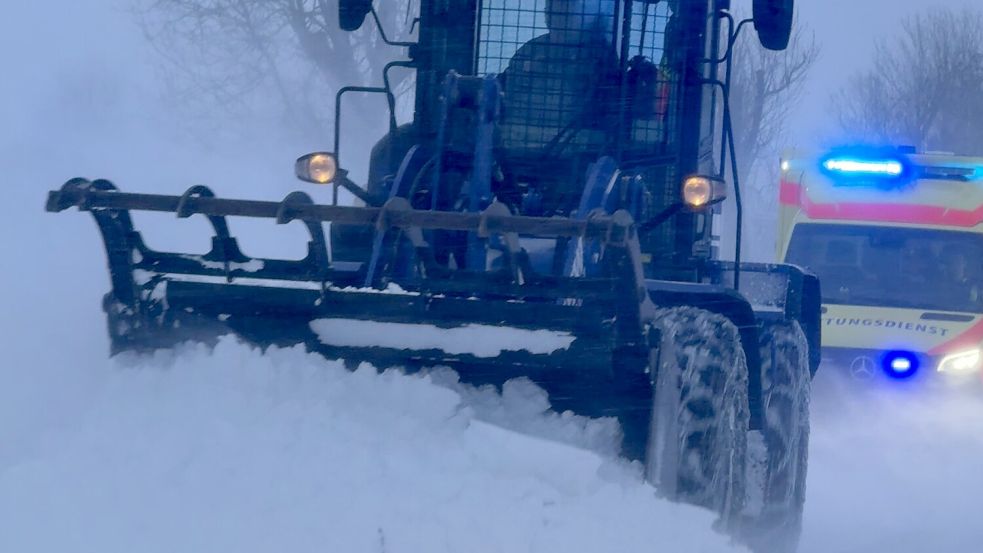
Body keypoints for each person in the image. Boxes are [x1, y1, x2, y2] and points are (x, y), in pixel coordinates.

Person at [495, 0, 619, 214]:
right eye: (552, 10)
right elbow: (507, 94)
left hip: (575, 155)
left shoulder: (599, 56)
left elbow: (606, 110)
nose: (555, 16)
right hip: (519, 151)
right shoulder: (530, 51)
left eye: (564, 10)